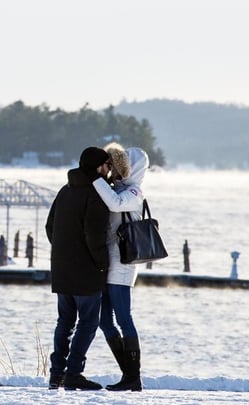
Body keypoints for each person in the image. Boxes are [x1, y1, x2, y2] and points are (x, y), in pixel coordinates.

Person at [44, 146, 112, 390]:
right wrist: (102, 264)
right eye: (107, 165)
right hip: (86, 272)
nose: (109, 170)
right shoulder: (96, 195)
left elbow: (49, 227)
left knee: (65, 322)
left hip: (62, 270)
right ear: (97, 167)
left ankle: (56, 375)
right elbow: (95, 236)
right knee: (88, 322)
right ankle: (73, 373)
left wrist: (63, 252)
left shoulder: (65, 190)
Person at [91, 142, 150, 392]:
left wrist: (96, 180)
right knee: (104, 321)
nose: (116, 168)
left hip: (123, 265)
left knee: (124, 318)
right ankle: (127, 372)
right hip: (108, 263)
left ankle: (133, 376)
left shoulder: (135, 193)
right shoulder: (115, 188)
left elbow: (115, 204)